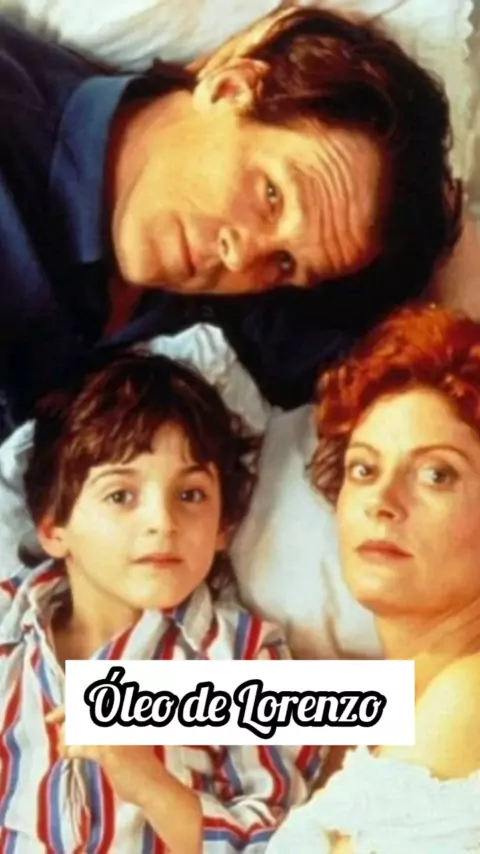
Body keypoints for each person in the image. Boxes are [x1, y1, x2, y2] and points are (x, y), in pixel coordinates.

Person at [0, 5, 460, 434]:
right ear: (229, 87)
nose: (240, 258)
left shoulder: (233, 319)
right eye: (272, 195)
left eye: (284, 263)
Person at [0, 351, 321, 852]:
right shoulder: (9, 631)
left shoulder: (241, 660)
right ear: (53, 528)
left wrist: (150, 785)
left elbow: (279, 840)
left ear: (224, 526)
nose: (162, 522)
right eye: (121, 496)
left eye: (190, 495)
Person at [268, 303, 480, 853]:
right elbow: (129, 705)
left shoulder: (469, 695)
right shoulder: (385, 692)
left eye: (436, 474)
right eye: (364, 468)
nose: (382, 500)